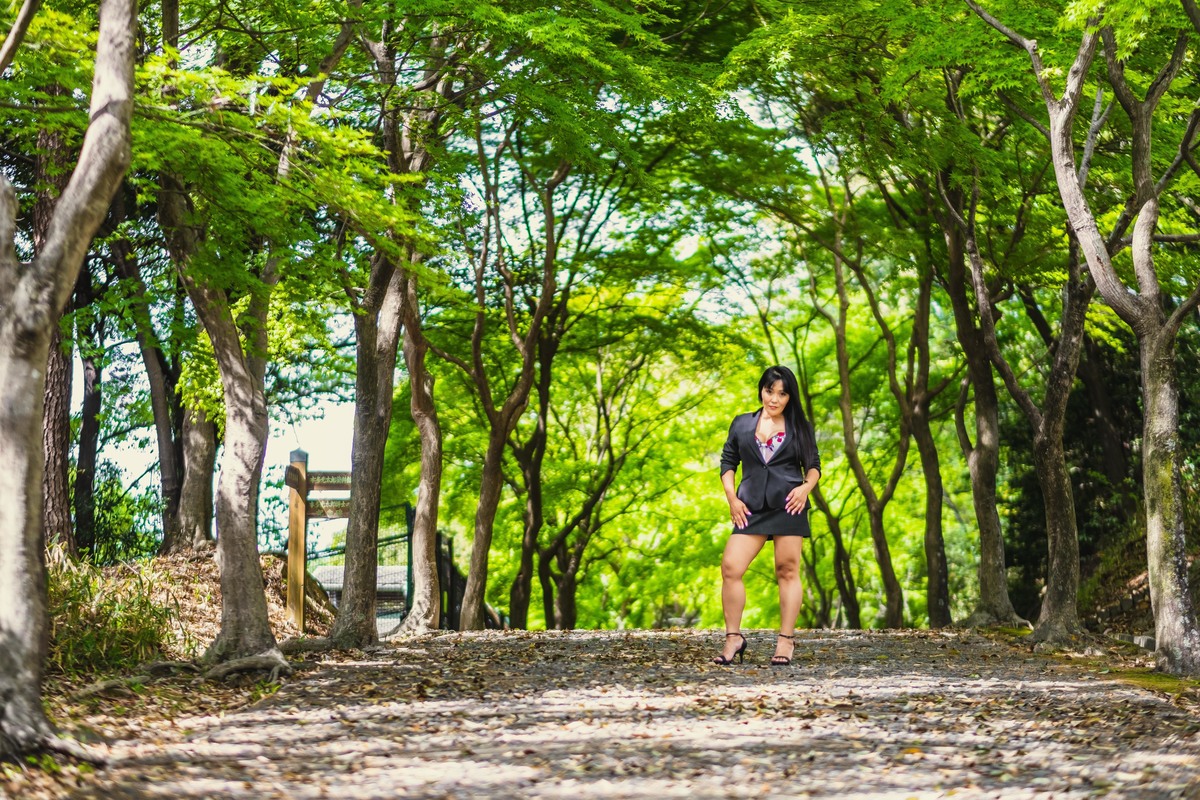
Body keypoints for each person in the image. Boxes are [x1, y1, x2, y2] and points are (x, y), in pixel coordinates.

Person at [713, 365, 821, 666]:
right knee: (731, 567)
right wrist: (732, 498)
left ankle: (786, 641)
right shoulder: (742, 424)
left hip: (789, 503)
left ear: (789, 397)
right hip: (749, 506)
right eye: (769, 390)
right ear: (761, 390)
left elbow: (813, 465)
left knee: (787, 570)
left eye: (782, 393)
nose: (774, 398)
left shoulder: (800, 427)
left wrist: (805, 489)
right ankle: (733, 638)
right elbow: (728, 461)